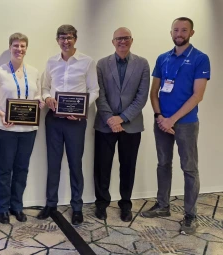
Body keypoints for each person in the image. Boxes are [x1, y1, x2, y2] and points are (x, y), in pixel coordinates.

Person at [141, 17, 210, 235]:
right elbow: (154, 92)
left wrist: (172, 119)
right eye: (176, 30)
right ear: (171, 32)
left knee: (189, 168)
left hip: (186, 123)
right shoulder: (163, 58)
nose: (179, 33)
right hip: (161, 121)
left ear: (192, 32)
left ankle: (190, 214)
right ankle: (163, 206)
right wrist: (160, 116)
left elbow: (198, 95)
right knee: (163, 164)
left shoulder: (200, 58)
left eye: (184, 30)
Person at [37, 25, 99, 225]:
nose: (66, 41)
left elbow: (95, 90)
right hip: (53, 119)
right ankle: (51, 203)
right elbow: (45, 87)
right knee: (53, 163)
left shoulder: (87, 62)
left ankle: (77, 207)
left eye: (70, 37)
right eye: (62, 37)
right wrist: (47, 98)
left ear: (75, 39)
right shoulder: (51, 61)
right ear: (57, 40)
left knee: (75, 164)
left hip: (75, 122)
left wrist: (80, 110)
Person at [0, 33, 44, 224]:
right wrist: (1, 113)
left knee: (21, 169)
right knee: (4, 169)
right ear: (10, 47)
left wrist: (40, 102)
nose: (19, 49)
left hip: (28, 130)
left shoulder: (34, 72)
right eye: (16, 45)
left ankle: (16, 206)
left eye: (23, 46)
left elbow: (39, 95)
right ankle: (2, 208)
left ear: (27, 48)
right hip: (4, 129)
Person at [94, 27, 150, 222]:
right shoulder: (101, 64)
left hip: (131, 125)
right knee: (102, 167)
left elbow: (142, 97)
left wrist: (122, 118)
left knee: (128, 166)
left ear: (131, 40)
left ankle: (125, 204)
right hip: (104, 125)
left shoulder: (142, 64)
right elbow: (99, 94)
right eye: (118, 38)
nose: (122, 41)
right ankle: (101, 204)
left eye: (126, 38)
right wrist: (110, 118)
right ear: (113, 41)